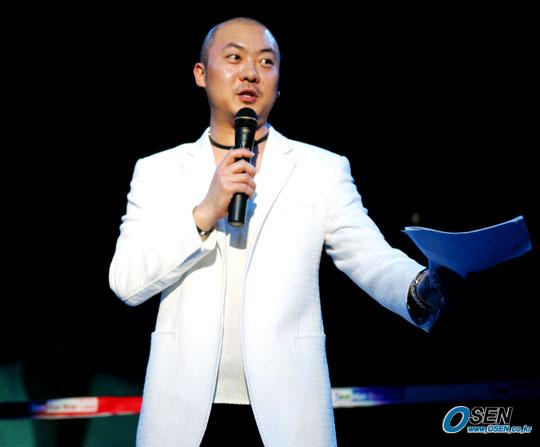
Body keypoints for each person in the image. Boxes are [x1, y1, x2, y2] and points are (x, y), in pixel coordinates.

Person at [109, 17, 449, 447]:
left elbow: (369, 256)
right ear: (201, 73)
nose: (251, 72)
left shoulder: (320, 170)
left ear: (279, 82)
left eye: (266, 62)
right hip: (183, 415)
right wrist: (205, 212)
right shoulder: (158, 171)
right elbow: (126, 281)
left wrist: (421, 286)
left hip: (288, 414)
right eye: (234, 57)